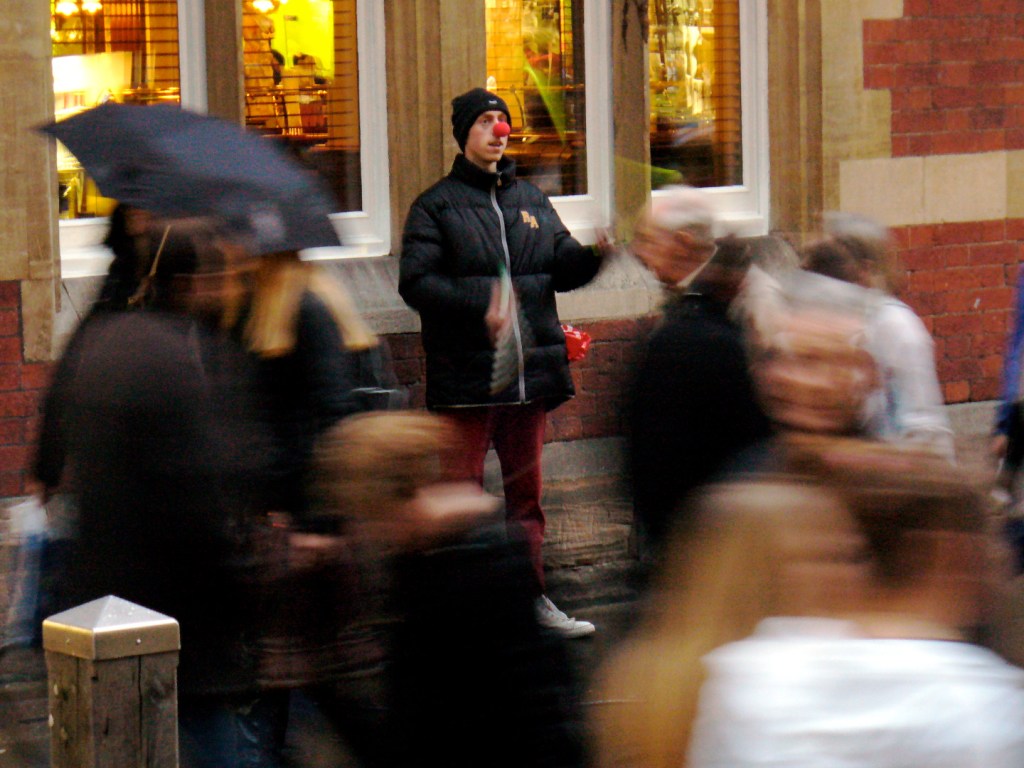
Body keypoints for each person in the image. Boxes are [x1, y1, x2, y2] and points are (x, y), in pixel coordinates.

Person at [592, 285, 1023, 768]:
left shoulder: (914, 498)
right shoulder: (738, 490)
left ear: (869, 373)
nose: (796, 379)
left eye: (820, 360)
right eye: (781, 357)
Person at [37, 216, 279, 768]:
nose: (234, 288)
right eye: (224, 276)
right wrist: (247, 590)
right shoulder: (189, 362)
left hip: (108, 607)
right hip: (180, 625)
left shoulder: (104, 338)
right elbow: (201, 501)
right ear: (192, 283)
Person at [398, 87, 612, 638]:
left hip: (529, 377)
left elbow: (561, 266)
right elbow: (416, 283)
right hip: (469, 380)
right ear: (465, 133)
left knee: (526, 500)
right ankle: (458, 619)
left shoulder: (533, 202)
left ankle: (531, 602)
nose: (499, 130)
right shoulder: (435, 206)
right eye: (487, 120)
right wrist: (480, 306)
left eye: (503, 120)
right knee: (461, 498)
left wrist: (593, 257)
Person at [316, 410, 589, 768]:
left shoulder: (455, 581)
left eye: (363, 516)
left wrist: (324, 686)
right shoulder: (440, 561)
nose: (361, 532)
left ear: (388, 506)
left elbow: (415, 740)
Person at [627, 186, 774, 565]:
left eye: (647, 240)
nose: (639, 255)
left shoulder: (751, 302)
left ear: (682, 242)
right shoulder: (693, 297)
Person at [803, 213, 956, 460]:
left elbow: (923, 423)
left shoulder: (895, 326)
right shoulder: (833, 320)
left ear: (866, 268)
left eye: (835, 265)